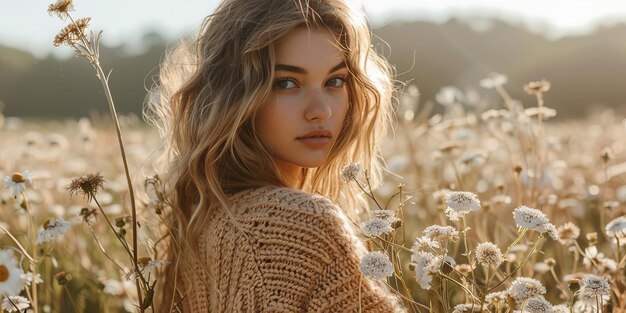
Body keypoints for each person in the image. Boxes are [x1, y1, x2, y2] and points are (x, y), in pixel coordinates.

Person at [145, 0, 405, 311]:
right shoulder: (301, 225)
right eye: (286, 83)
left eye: (335, 81)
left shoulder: (202, 220)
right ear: (235, 96)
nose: (320, 110)